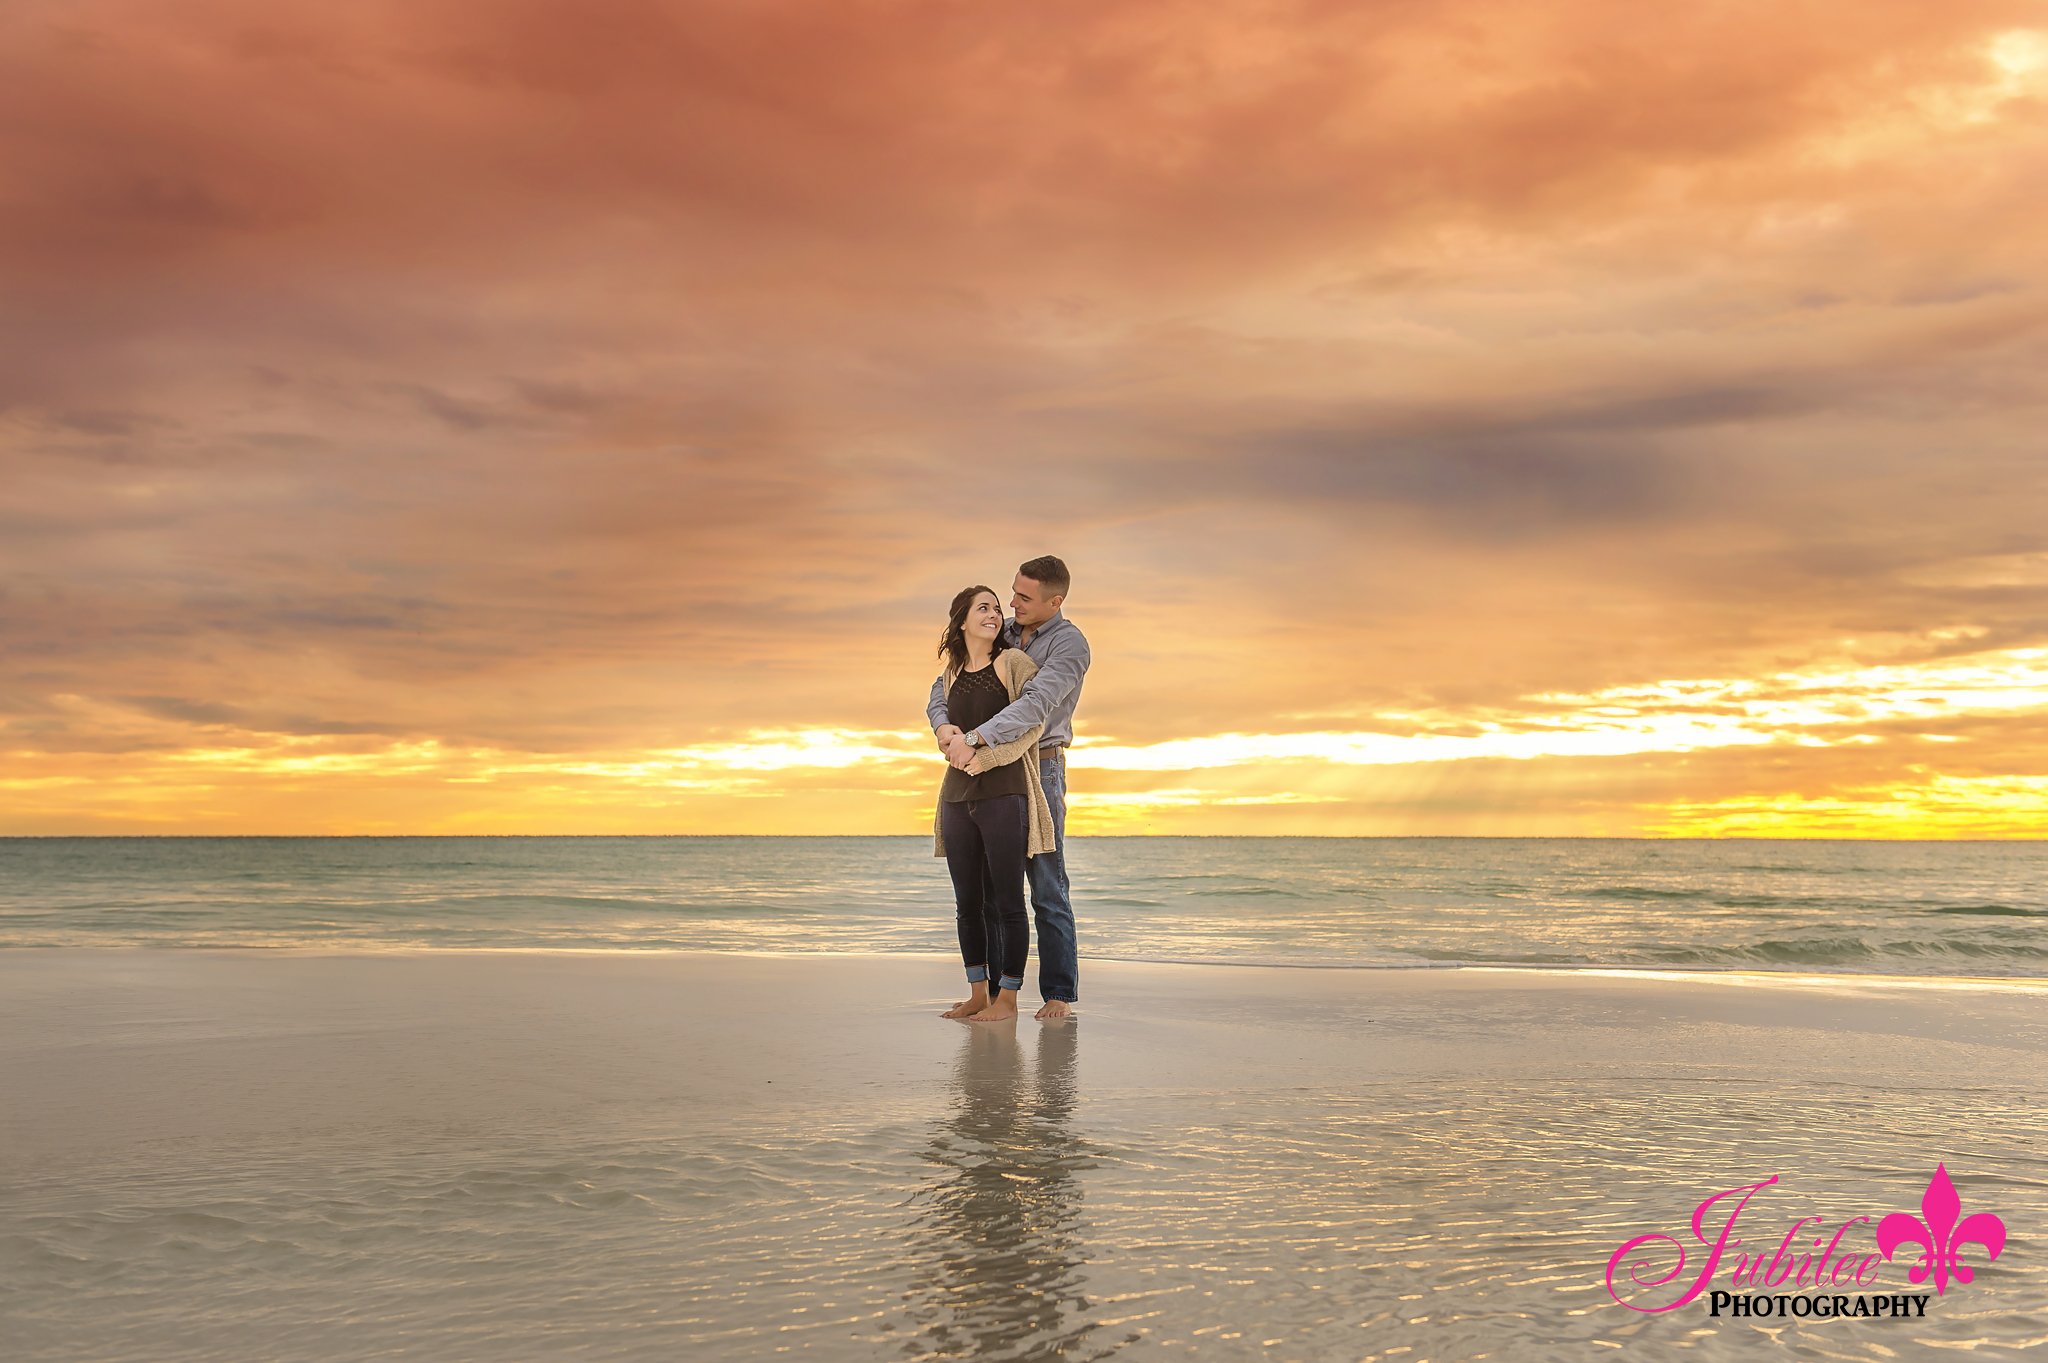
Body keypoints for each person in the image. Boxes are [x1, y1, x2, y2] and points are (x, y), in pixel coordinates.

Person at [929, 556, 1090, 1021]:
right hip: (979, 768)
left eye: (1024, 597)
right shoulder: (1003, 634)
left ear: (1054, 601)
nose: (1012, 604)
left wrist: (975, 739)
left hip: (1039, 766)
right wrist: (946, 731)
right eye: (1011, 594)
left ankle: (1058, 992)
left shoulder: (1067, 643)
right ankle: (996, 992)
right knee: (990, 893)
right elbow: (947, 686)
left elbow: (1036, 704)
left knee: (1045, 885)